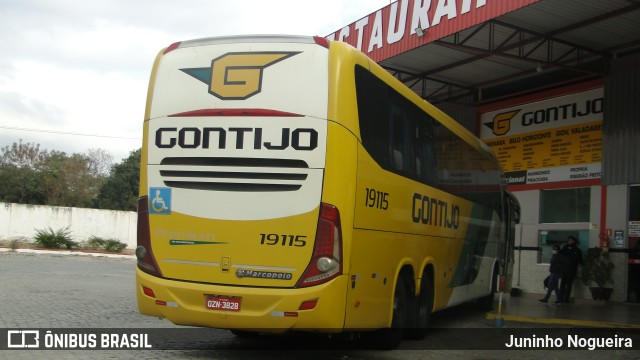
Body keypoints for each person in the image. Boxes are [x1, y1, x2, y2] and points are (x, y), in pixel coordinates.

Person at [560, 235, 583, 303]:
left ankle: (565, 298)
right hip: (566, 269)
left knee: (568, 285)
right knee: (563, 284)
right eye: (569, 240)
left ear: (574, 241)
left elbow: (580, 260)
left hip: (571, 270)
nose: (570, 241)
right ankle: (561, 298)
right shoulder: (565, 247)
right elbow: (561, 257)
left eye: (571, 240)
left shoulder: (577, 250)